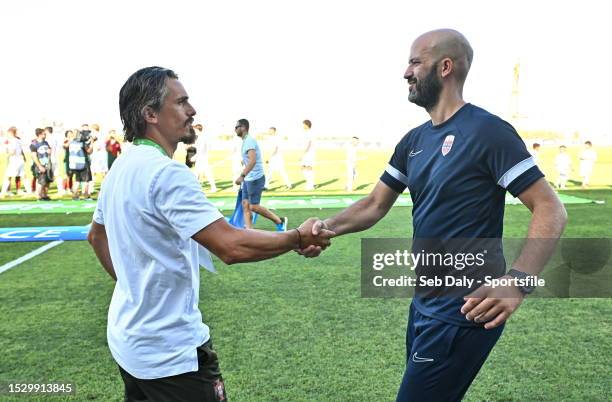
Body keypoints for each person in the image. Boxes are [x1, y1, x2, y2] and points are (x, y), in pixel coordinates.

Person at [299, 29, 567, 401]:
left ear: (445, 67)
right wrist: (325, 227)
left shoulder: (488, 132)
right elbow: (375, 204)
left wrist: (518, 280)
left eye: (414, 62)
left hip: (465, 307)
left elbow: (550, 207)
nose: (406, 73)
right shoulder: (413, 141)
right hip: (424, 301)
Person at [87, 67, 333, 402]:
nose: (192, 111)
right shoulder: (166, 172)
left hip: (129, 342)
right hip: (171, 354)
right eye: (181, 102)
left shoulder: (122, 167)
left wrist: (133, 286)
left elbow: (95, 237)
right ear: (150, 114)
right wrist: (297, 237)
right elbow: (231, 246)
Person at [234, 119, 287, 231]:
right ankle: (249, 231)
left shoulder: (249, 141)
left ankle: (280, 221)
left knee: (254, 207)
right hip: (248, 179)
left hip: (255, 179)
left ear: (243, 127)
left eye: (236, 127)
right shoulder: (245, 141)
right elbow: (250, 160)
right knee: (245, 205)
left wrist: (242, 175)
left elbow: (252, 161)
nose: (235, 129)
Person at [68, 126, 94, 200]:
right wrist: (91, 143)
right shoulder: (82, 143)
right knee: (86, 181)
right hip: (83, 164)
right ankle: (86, 196)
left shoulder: (72, 142)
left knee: (77, 180)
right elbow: (89, 151)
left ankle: (74, 196)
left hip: (74, 164)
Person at [0, 127, 27, 197]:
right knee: (22, 176)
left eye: (8, 133)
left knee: (8, 176)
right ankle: (25, 190)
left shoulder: (13, 140)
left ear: (11, 133)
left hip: (14, 161)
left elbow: (12, 151)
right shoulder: (17, 140)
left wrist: (7, 155)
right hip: (19, 160)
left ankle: (4, 192)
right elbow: (20, 150)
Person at [30, 128, 53, 201]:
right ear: (39, 134)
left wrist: (50, 152)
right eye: (44, 134)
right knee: (41, 181)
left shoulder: (45, 142)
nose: (45, 135)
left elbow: (49, 151)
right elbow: (34, 156)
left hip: (47, 164)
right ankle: (38, 196)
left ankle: (45, 195)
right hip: (40, 165)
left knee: (47, 181)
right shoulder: (34, 144)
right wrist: (39, 166)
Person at [194, 124, 217, 192]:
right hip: (201, 158)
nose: (194, 131)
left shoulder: (201, 138)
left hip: (202, 159)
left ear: (198, 130)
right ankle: (196, 188)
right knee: (197, 174)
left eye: (195, 129)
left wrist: (195, 157)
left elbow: (201, 149)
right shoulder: (201, 137)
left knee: (207, 173)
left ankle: (213, 187)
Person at [300, 119, 316, 190]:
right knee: (303, 168)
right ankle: (310, 183)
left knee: (309, 168)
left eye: (303, 124)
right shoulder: (305, 133)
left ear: (307, 125)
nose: (302, 126)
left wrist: (303, 153)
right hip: (305, 152)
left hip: (309, 153)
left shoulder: (310, 133)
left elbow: (308, 144)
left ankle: (311, 185)